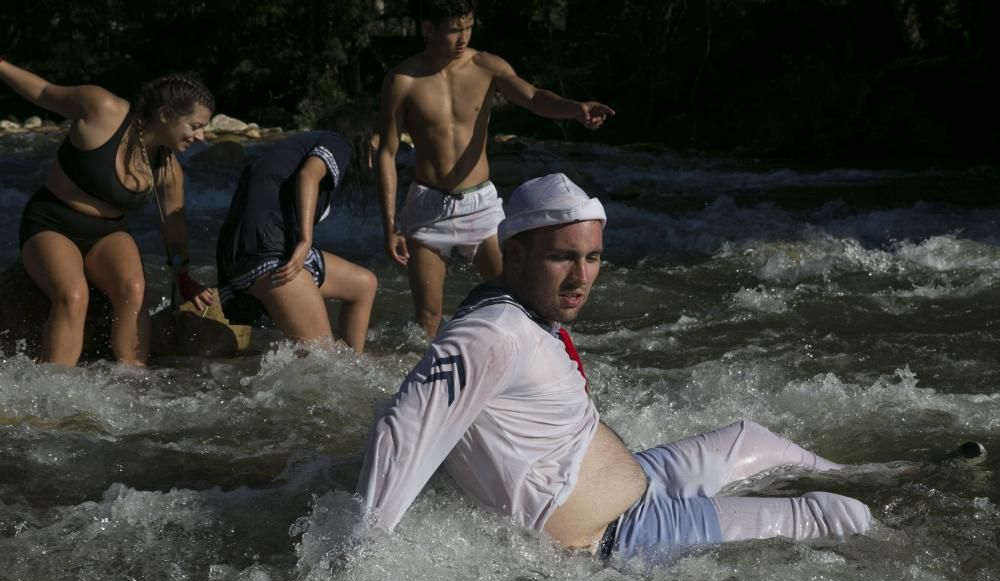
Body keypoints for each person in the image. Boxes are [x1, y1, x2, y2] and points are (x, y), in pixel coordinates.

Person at [358, 173, 872, 564]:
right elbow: (401, 430)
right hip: (618, 535)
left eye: (594, 257)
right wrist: (356, 561)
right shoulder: (491, 333)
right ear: (513, 254)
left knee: (751, 438)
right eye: (563, 258)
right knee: (840, 515)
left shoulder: (521, 307)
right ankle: (904, 506)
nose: (582, 277)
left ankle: (890, 476)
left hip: (635, 483)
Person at [377, 0, 615, 337]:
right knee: (428, 317)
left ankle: (544, 366)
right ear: (429, 29)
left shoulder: (486, 66)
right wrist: (390, 225)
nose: (463, 38)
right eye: (454, 29)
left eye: (469, 27)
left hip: (480, 205)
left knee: (520, 296)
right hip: (428, 206)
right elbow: (386, 153)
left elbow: (533, 97)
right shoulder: (402, 80)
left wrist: (575, 109)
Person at [0, 58, 214, 366]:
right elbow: (44, 91)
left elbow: (174, 225)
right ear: (166, 115)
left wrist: (183, 275)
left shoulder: (168, 170)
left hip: (108, 232)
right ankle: (54, 390)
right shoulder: (103, 110)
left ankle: (133, 378)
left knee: (134, 290)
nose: (201, 137)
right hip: (52, 221)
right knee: (73, 296)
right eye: (195, 127)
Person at [215, 106, 378, 352]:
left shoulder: (300, 146)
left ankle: (354, 364)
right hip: (266, 255)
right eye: (374, 150)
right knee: (323, 360)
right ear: (361, 138)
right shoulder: (338, 143)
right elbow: (308, 176)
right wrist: (305, 241)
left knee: (363, 284)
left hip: (247, 252)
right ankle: (342, 376)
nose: (373, 160)